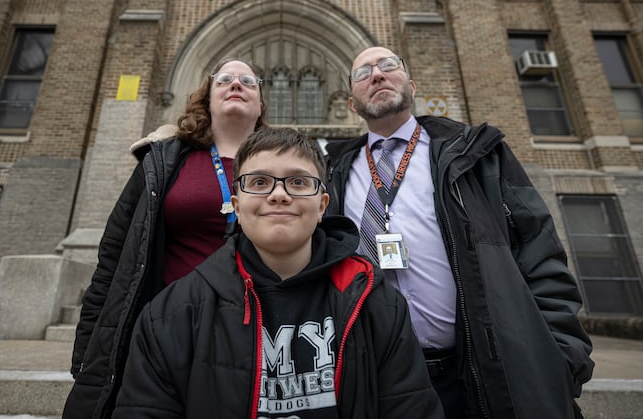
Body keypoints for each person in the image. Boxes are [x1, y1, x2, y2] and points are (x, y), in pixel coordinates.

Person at [324, 46, 595, 419]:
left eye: (388, 66)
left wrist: (563, 354)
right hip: (381, 380)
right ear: (353, 105)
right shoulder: (333, 172)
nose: (377, 75)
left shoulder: (476, 154)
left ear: (412, 85)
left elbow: (538, 249)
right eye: (362, 73)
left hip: (477, 372)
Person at [111, 127, 444, 419]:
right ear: (237, 206)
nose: (279, 194)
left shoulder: (377, 304)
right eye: (259, 182)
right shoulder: (170, 315)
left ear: (322, 205)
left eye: (298, 182)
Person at [63, 59, 268, 419]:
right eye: (225, 79)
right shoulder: (163, 160)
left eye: (248, 81)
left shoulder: (280, 165)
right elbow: (115, 257)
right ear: (208, 97)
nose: (236, 84)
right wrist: (90, 349)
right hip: (167, 332)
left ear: (261, 104)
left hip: (253, 333)